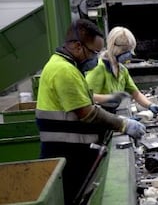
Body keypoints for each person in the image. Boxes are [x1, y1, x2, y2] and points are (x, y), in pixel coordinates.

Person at [35, 19, 146, 204]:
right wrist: (123, 124)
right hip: (65, 156)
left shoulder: (66, 67)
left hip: (69, 152)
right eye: (94, 52)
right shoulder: (64, 71)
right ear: (78, 46)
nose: (97, 57)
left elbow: (86, 100)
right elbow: (88, 113)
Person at [85, 26, 158, 115]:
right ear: (114, 47)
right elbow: (85, 96)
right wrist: (110, 98)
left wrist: (150, 105)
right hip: (96, 116)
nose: (129, 54)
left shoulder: (122, 70)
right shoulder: (98, 68)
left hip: (111, 114)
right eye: (125, 50)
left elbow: (135, 94)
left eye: (130, 50)